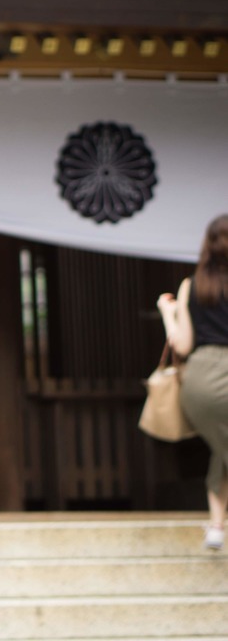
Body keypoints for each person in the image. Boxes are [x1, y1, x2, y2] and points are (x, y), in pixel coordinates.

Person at [157, 213, 228, 552]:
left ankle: (216, 526)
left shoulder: (192, 284)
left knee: (222, 445)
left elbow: (182, 345)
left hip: (202, 378)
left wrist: (167, 313)